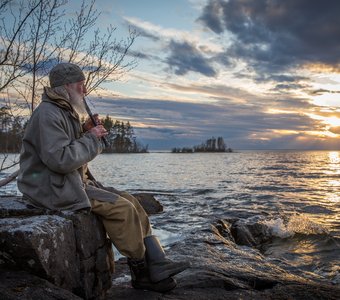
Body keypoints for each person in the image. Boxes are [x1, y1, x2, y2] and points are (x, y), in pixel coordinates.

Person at [17, 63, 189, 292]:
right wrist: (92, 139)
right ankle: (141, 274)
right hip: (52, 187)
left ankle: (157, 262)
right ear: (66, 86)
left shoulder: (62, 110)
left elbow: (66, 145)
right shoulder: (48, 114)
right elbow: (59, 159)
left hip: (69, 181)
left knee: (133, 202)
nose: (85, 91)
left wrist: (86, 130)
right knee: (122, 209)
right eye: (81, 85)